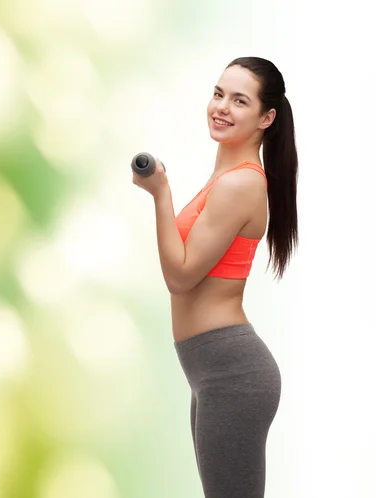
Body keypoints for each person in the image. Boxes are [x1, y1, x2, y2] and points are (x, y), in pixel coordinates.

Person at [132, 57, 298, 497]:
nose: (221, 107)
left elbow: (181, 276)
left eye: (239, 100)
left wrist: (160, 192)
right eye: (218, 93)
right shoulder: (224, 178)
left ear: (266, 118)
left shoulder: (239, 184)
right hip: (211, 369)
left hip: (231, 372)